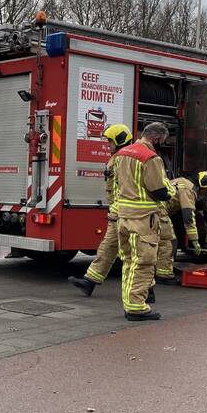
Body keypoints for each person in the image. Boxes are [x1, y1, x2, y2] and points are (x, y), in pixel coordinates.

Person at [114, 122, 175, 321]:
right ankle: (137, 307)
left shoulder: (122, 154)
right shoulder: (151, 158)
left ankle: (130, 302)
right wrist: (171, 189)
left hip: (123, 217)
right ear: (156, 139)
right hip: (143, 220)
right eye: (162, 142)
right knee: (144, 262)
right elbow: (159, 191)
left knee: (129, 262)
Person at [68, 123, 133, 296]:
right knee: (108, 247)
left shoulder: (126, 159)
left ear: (120, 140)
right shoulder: (117, 158)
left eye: (110, 141)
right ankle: (89, 282)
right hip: (118, 212)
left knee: (134, 253)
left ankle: (147, 290)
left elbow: (127, 189)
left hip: (129, 214)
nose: (108, 145)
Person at [153, 172, 207, 283]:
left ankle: (159, 269)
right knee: (169, 241)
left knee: (161, 241)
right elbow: (188, 216)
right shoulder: (189, 190)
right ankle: (164, 275)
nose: (205, 195)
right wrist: (194, 240)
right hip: (159, 210)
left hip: (155, 208)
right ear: (204, 185)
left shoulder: (181, 181)